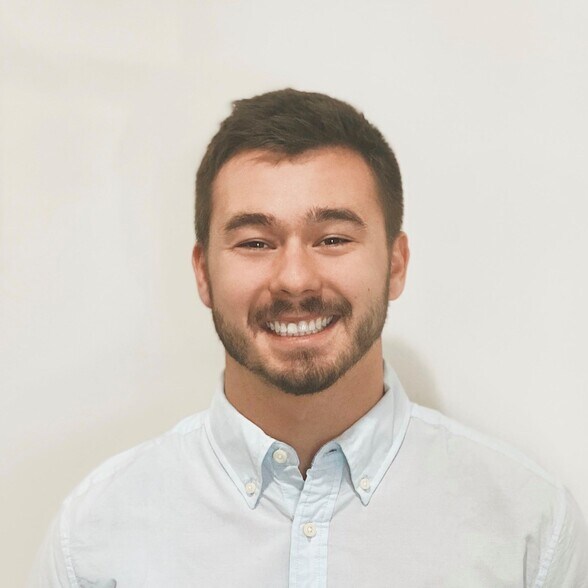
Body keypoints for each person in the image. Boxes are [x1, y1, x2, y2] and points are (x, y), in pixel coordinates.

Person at [31, 89, 587, 587]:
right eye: (255, 242)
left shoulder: (528, 531)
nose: (295, 279)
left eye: (333, 239)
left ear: (396, 264)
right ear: (203, 274)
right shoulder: (95, 538)